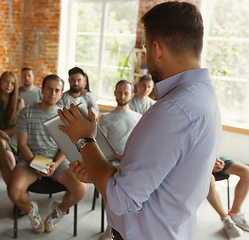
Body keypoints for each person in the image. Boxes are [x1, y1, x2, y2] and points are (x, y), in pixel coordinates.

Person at [58, 2, 222, 240]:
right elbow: (164, 174)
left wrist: (85, 139)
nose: (146, 54)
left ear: (156, 49)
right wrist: (104, 171)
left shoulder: (173, 110)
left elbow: (121, 200)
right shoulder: (203, 96)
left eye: (146, 47)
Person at [8, 74, 87, 234]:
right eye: (49, 89)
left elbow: (66, 147)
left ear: (61, 94)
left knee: (80, 189)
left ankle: (59, 210)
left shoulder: (64, 117)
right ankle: (31, 211)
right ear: (42, 90)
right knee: (13, 191)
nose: (52, 93)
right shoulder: (26, 112)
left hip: (57, 162)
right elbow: (22, 144)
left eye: (57, 90)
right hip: (30, 161)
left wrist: (55, 164)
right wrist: (37, 164)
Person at [98, 80, 141, 240]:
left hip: (133, 163)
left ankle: (131, 226)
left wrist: (129, 158)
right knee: (110, 186)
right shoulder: (106, 117)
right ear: (115, 93)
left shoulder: (139, 117)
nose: (122, 96)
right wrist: (119, 157)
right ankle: (112, 225)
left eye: (125, 93)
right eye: (119, 92)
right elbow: (102, 146)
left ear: (131, 95)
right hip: (114, 161)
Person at [207, 156, 249, 238]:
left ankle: (235, 213)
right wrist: (208, 164)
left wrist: (216, 159)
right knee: (209, 180)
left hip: (212, 157)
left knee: (246, 171)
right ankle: (225, 218)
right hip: (196, 160)